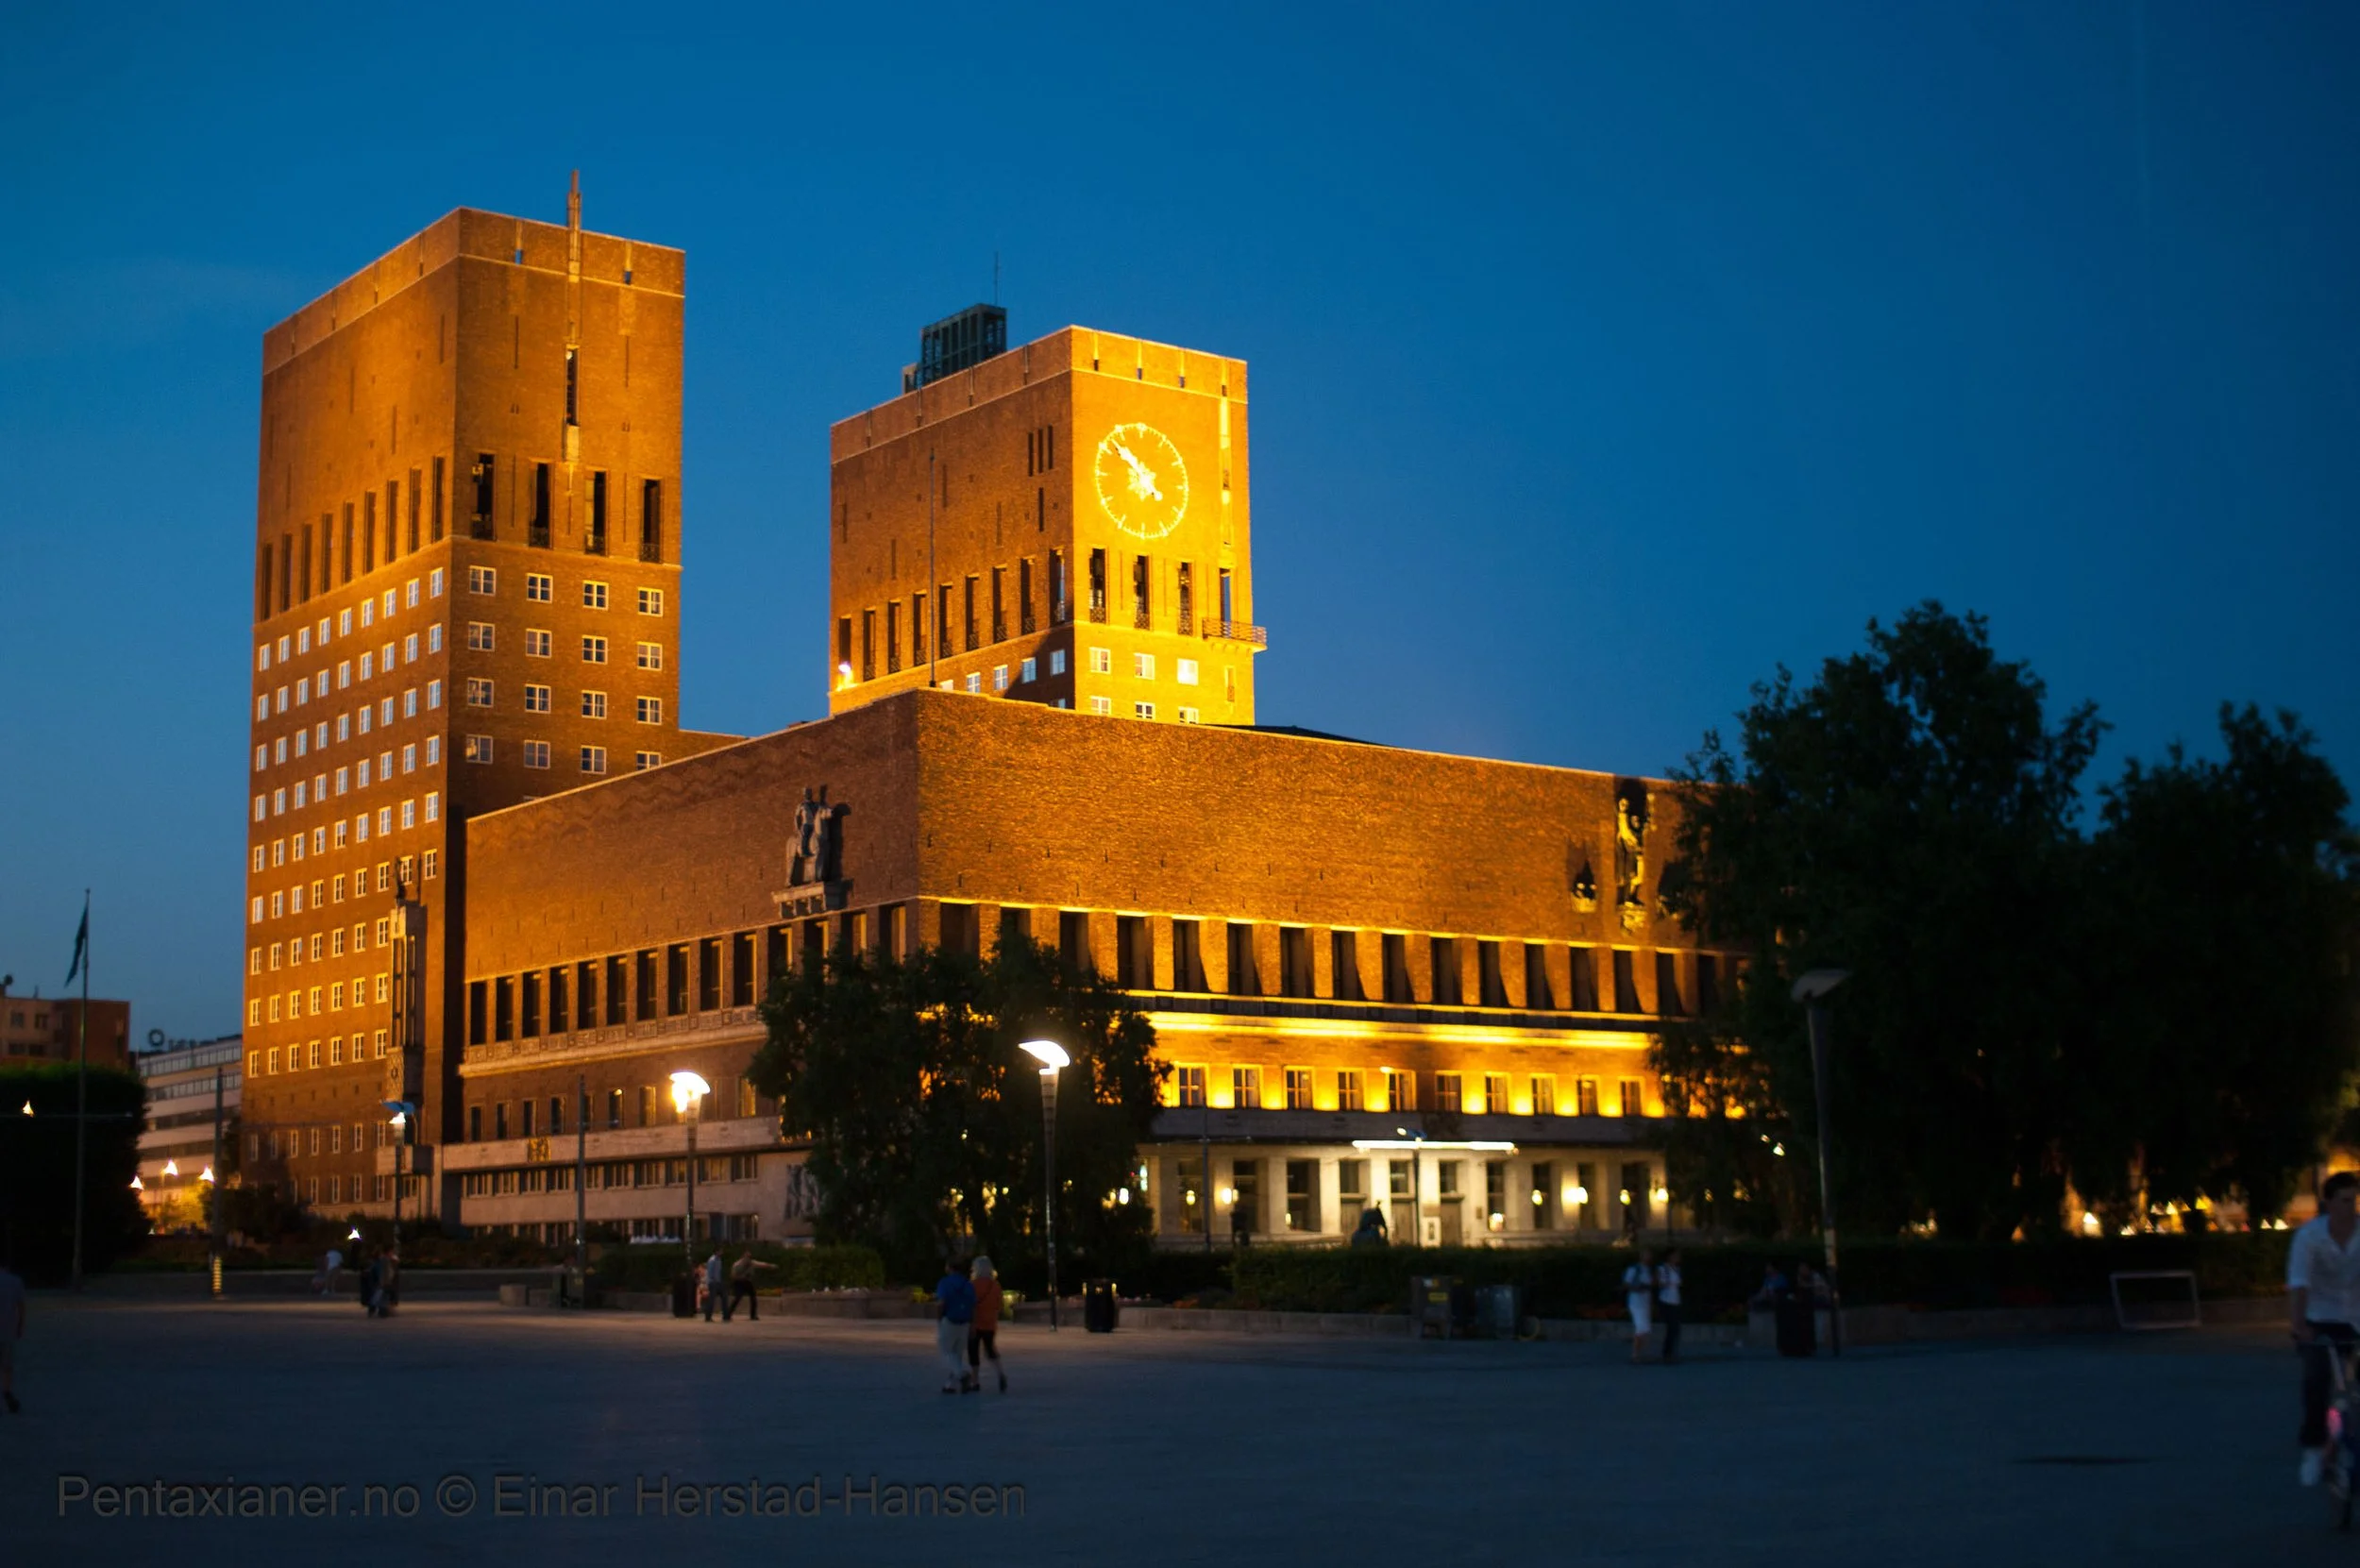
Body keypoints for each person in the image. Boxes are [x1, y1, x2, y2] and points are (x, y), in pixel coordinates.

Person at [2293, 1171, 2360, 1487]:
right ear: (2329, 1203)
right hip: (2320, 1319)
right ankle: (2314, 1449)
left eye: (2355, 1200)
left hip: (2357, 1318)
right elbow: (2299, 1283)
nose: (2352, 1207)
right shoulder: (2309, 1237)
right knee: (2316, 1382)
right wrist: (2299, 1324)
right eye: (2345, 1200)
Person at [934, 1259, 976, 1394]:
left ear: (950, 1268)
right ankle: (950, 1385)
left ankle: (962, 1375)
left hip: (950, 1320)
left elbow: (941, 1303)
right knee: (957, 1354)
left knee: (946, 1351)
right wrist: (973, 1323)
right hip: (965, 1322)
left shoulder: (945, 1283)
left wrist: (939, 1319)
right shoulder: (968, 1284)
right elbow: (973, 1305)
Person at [969, 1256, 1006, 1393]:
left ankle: (975, 1381)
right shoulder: (995, 1285)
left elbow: (970, 1304)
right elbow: (1000, 1306)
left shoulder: (973, 1285)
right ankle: (1000, 1373)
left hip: (975, 1323)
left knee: (973, 1352)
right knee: (990, 1349)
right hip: (990, 1323)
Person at [1622, 1249, 1658, 1364]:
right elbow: (1626, 1284)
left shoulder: (1651, 1270)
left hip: (1646, 1300)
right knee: (1641, 1328)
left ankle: (1641, 1353)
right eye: (1647, 1255)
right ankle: (1635, 1354)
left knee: (1645, 1328)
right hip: (1636, 1301)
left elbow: (1655, 1284)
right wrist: (1638, 1288)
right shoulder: (1634, 1269)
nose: (1649, 1258)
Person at [0, 1258, 25, 1414]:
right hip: (8, 1329)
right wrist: (20, 1325)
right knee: (7, 1366)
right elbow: (21, 1307)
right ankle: (7, 1392)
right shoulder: (15, 1281)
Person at [728, 1250, 775, 1322]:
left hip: (747, 1282)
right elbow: (733, 1275)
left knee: (753, 1298)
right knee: (737, 1298)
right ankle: (728, 1314)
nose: (748, 1259)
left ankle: (753, 1315)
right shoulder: (737, 1264)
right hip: (739, 1282)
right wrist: (740, 1278)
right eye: (747, 1257)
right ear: (743, 1257)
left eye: (749, 1257)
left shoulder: (751, 1263)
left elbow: (762, 1264)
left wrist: (770, 1266)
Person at [1658, 1248, 1684, 1363]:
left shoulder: (1677, 1269)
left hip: (1675, 1300)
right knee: (1671, 1328)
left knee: (1676, 1328)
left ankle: (1672, 1352)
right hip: (1666, 1300)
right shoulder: (1664, 1269)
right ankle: (1667, 1353)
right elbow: (1662, 1283)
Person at [703, 1250, 729, 1323]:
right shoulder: (712, 1260)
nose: (722, 1252)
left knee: (724, 1297)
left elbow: (719, 1272)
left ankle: (726, 1316)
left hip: (718, 1282)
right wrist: (714, 1281)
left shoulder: (719, 1260)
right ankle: (708, 1317)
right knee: (712, 1300)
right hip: (713, 1282)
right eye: (720, 1251)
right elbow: (710, 1273)